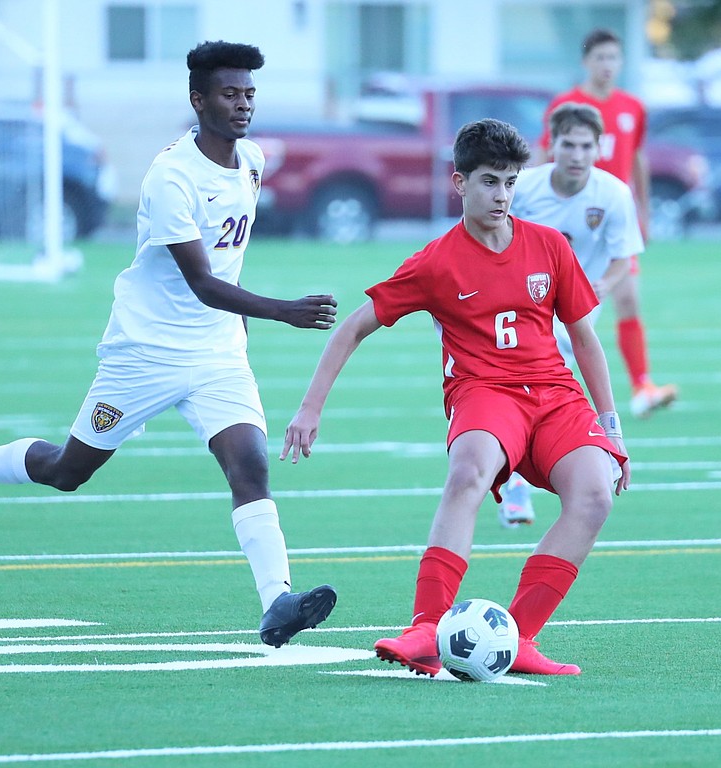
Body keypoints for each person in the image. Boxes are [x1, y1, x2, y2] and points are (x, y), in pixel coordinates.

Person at [0, 41, 338, 649]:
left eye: (249, 93)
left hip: (216, 352)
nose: (243, 104)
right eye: (229, 93)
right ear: (198, 100)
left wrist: (241, 328)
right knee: (68, 471)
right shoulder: (170, 177)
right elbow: (199, 281)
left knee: (249, 466)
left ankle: (277, 603)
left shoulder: (251, 160)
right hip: (145, 352)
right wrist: (281, 312)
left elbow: (229, 261)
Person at [280, 118, 631, 676]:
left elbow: (585, 339)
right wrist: (310, 407)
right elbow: (352, 328)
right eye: (490, 181)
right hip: (484, 393)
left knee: (596, 496)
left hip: (555, 394)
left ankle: (518, 639)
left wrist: (611, 426)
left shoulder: (549, 246)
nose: (502, 195)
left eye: (511, 182)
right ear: (460, 182)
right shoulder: (436, 261)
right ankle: (425, 626)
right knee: (468, 472)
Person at [497, 102, 644, 529]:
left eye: (586, 145)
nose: (577, 154)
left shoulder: (613, 194)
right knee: (527, 385)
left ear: (599, 148)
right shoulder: (523, 188)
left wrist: (602, 286)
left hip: (578, 311)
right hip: (524, 304)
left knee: (542, 391)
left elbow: (623, 259)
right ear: (552, 145)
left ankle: (550, 470)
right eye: (568, 144)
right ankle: (525, 482)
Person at [537, 27, 678, 423]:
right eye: (599, 57)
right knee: (558, 316)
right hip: (570, 226)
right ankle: (544, 385)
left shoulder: (632, 107)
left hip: (612, 221)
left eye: (613, 58)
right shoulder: (567, 105)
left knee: (628, 297)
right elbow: (542, 152)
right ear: (587, 62)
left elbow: (637, 159)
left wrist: (643, 210)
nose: (606, 65)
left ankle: (642, 386)